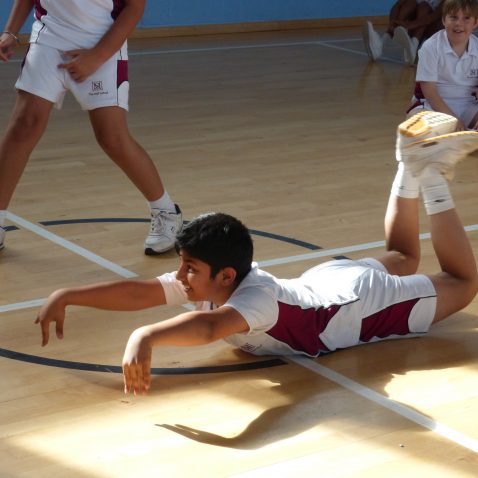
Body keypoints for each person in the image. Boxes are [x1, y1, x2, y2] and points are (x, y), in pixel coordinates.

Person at [35, 111, 478, 395]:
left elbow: (209, 328)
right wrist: (69, 294)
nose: (181, 276)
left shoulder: (253, 301)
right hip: (331, 285)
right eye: (182, 266)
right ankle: (408, 162)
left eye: (189, 268)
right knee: (402, 256)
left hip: (360, 305)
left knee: (463, 281)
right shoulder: (211, 280)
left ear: (226, 276)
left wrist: (144, 336)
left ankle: (432, 177)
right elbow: (137, 293)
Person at [0, 0, 182, 255]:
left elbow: (134, 7)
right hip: (49, 39)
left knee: (112, 138)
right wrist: (10, 32)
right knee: (23, 126)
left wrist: (97, 56)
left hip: (101, 42)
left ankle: (166, 212)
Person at [407, 0, 478, 131]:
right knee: (416, 124)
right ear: (444, 20)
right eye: (453, 17)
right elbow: (430, 93)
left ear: (475, 22)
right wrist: (452, 120)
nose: (459, 23)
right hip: (433, 105)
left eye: (466, 18)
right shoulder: (430, 47)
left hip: (469, 105)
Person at [363, 0, 443, 65]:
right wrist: (393, 24)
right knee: (409, 3)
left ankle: (413, 45)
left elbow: (433, 17)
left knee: (424, 6)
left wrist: (408, 25)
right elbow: (397, 5)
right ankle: (381, 44)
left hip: (438, 32)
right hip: (418, 26)